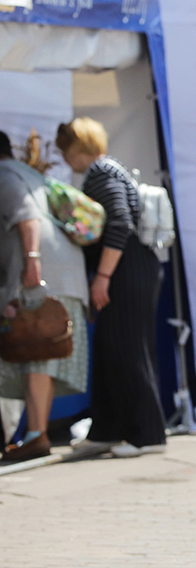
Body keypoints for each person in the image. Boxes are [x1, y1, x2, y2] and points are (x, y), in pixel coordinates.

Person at [55, 118, 167, 458]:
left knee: (127, 349)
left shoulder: (102, 173)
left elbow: (119, 222)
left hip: (125, 269)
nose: (65, 159)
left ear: (77, 149)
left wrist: (102, 277)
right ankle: (107, 427)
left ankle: (146, 435)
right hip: (130, 267)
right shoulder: (110, 170)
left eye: (67, 151)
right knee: (111, 349)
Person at [0, 132, 89, 462]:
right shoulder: (29, 173)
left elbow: (27, 217)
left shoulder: (5, 175)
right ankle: (35, 433)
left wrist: (32, 265)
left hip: (43, 278)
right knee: (39, 356)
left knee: (36, 355)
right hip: (64, 275)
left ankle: (37, 435)